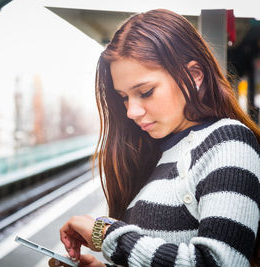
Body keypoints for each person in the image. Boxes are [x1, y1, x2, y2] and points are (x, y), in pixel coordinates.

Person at [49, 9, 260, 267]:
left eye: (145, 92)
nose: (131, 112)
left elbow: (222, 262)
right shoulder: (161, 153)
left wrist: (105, 234)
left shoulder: (228, 142)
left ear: (194, 76)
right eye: (124, 97)